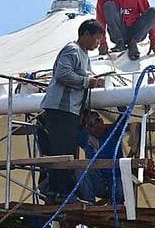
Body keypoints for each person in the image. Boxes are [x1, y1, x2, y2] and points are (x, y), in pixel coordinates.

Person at [39, 18, 106, 205]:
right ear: (86, 34)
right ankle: (63, 194)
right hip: (61, 109)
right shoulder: (73, 50)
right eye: (97, 38)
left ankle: (56, 193)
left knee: (63, 151)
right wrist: (87, 82)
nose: (98, 42)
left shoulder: (83, 55)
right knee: (64, 152)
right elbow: (62, 74)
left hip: (69, 110)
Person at [76, 110, 125, 205]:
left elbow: (124, 117)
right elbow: (72, 133)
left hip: (115, 179)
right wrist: (80, 122)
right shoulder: (86, 139)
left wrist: (122, 106)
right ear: (87, 129)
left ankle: (116, 206)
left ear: (102, 121)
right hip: (98, 182)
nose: (95, 126)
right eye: (91, 124)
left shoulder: (112, 131)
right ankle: (89, 203)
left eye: (96, 121)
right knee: (80, 168)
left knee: (121, 191)